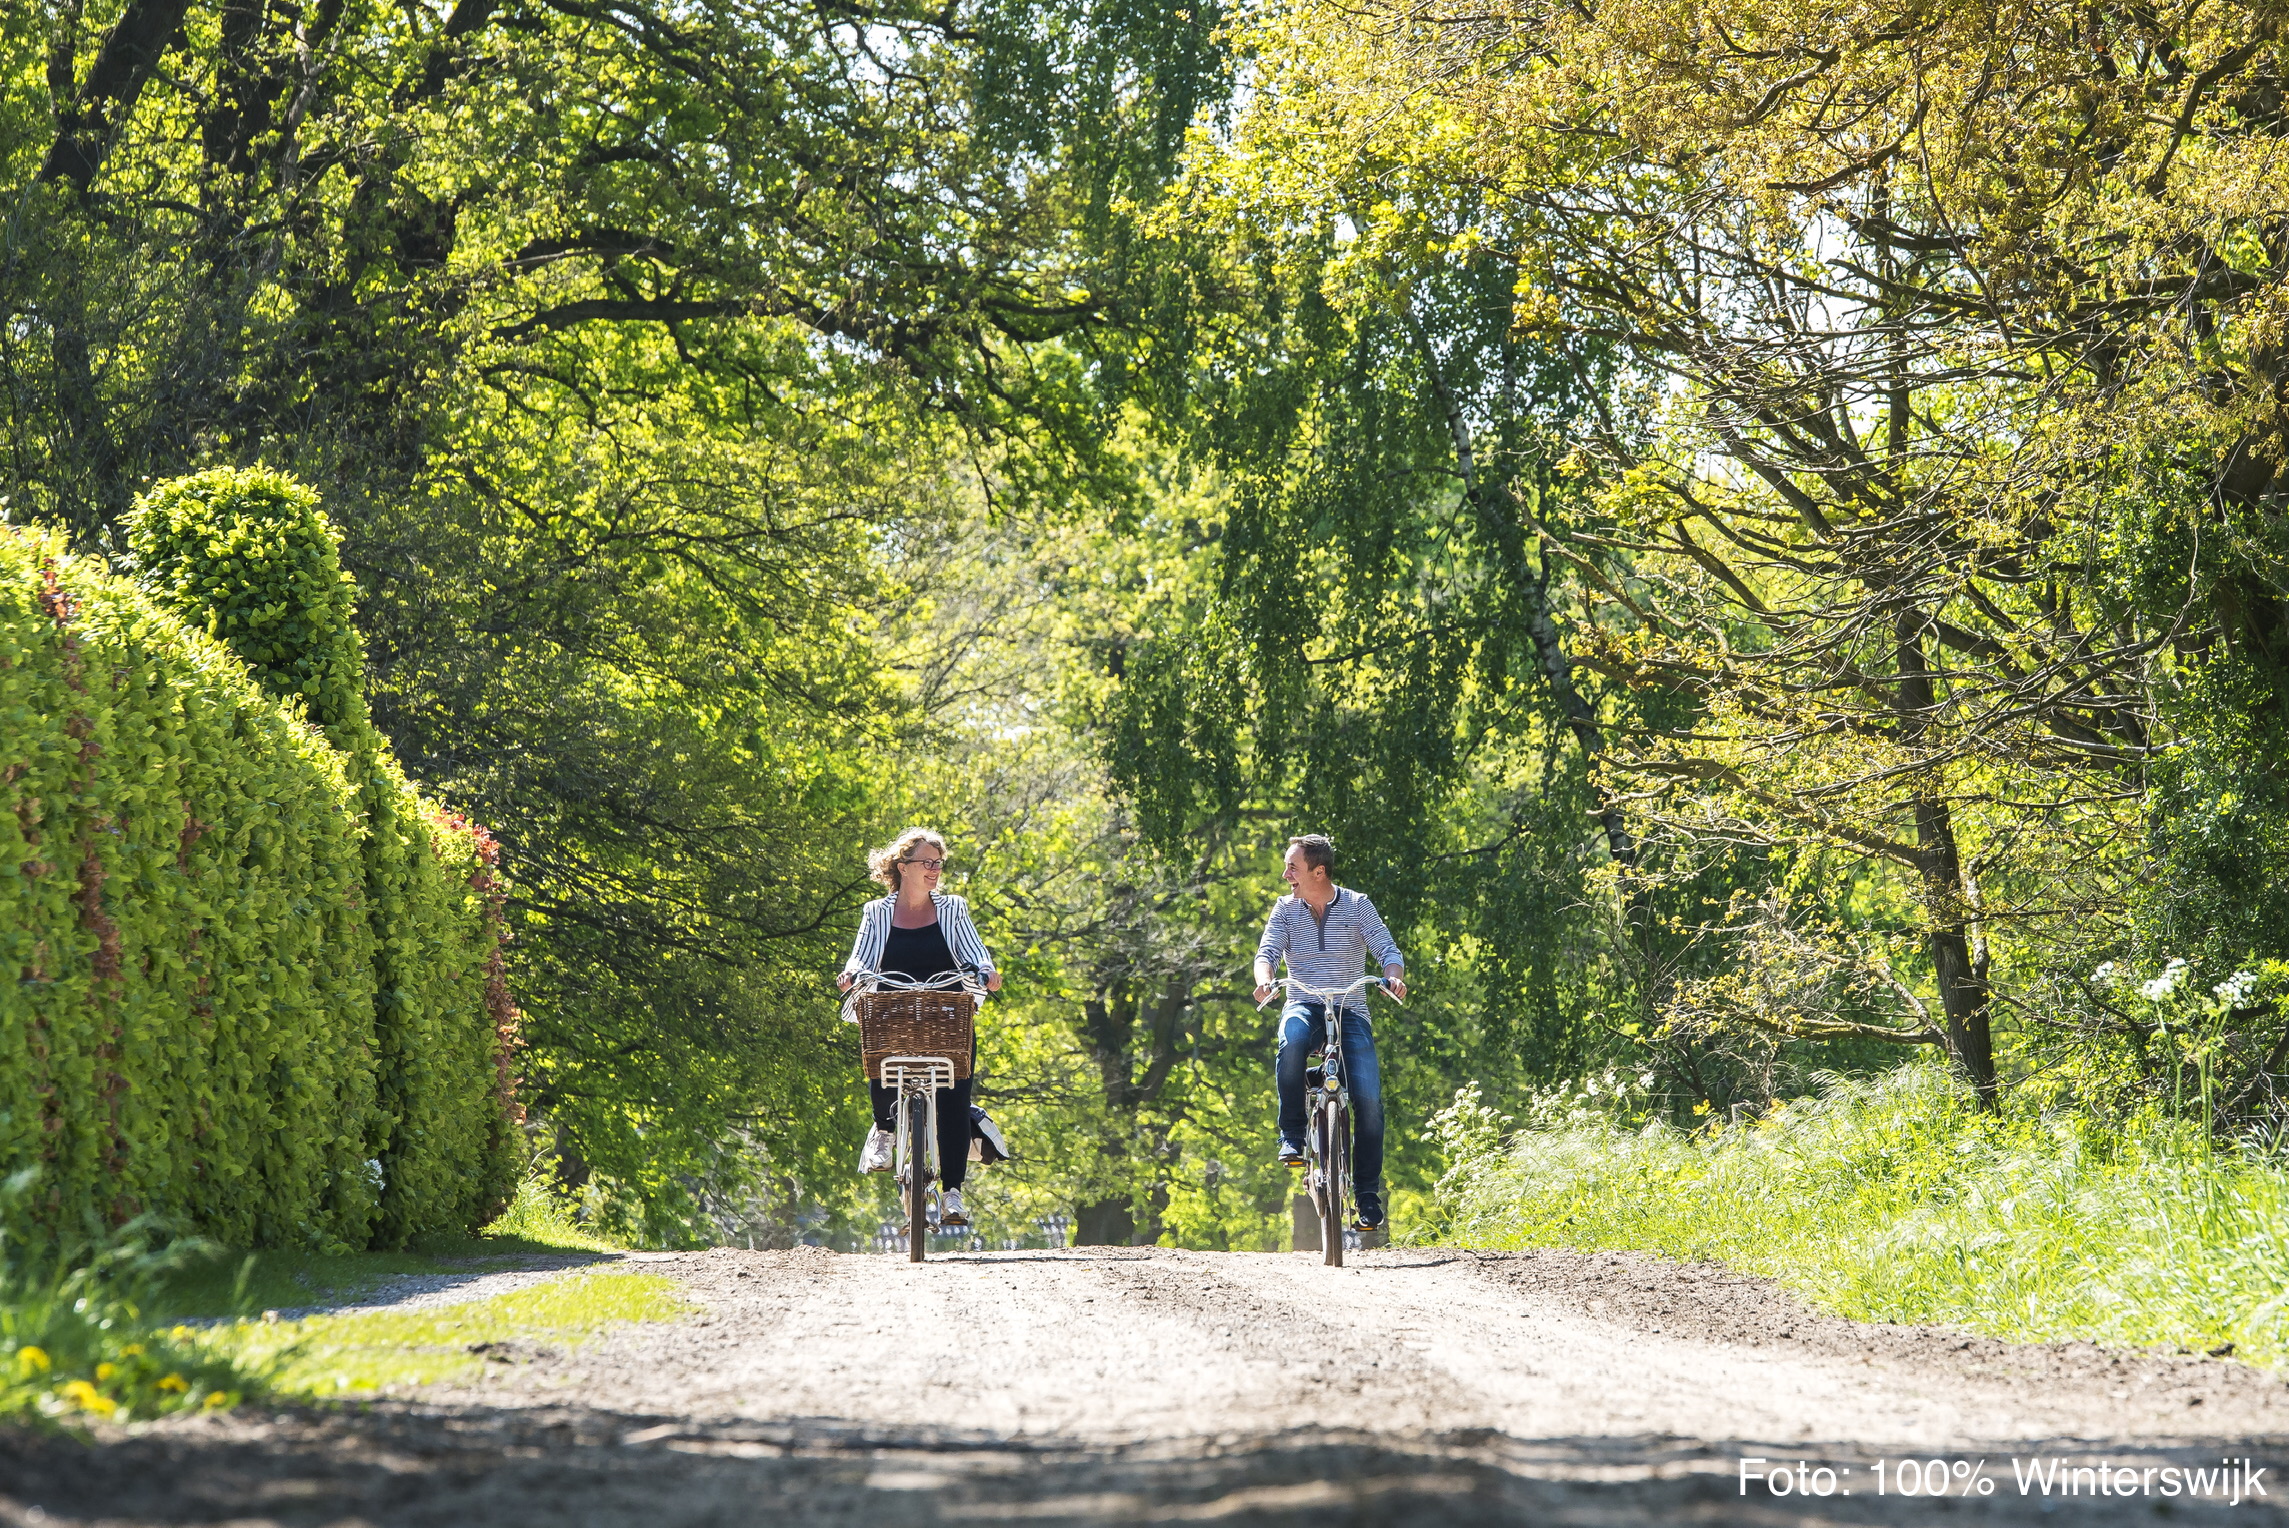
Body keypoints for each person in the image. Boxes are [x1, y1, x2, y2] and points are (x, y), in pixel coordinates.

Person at [838, 827, 1002, 1228]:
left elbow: (975, 951)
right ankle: (883, 1129)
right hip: (892, 1007)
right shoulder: (876, 912)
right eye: (926, 862)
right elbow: (860, 957)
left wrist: (986, 971)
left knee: (953, 1092)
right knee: (879, 1053)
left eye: (938, 863)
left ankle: (953, 1194)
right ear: (902, 867)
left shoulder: (952, 908)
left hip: (945, 1013)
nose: (934, 870)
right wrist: (850, 975)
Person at [1251, 833, 1406, 1233]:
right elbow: (1266, 954)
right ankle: (1293, 1136)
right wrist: (1266, 980)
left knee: (1369, 1101)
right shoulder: (1285, 910)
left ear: (1318, 871)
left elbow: (1388, 952)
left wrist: (1392, 978)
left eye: (1292, 867)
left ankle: (1367, 1194)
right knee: (1292, 1044)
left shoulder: (1357, 906)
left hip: (1350, 1008)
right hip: (1303, 1002)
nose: (1286, 874)